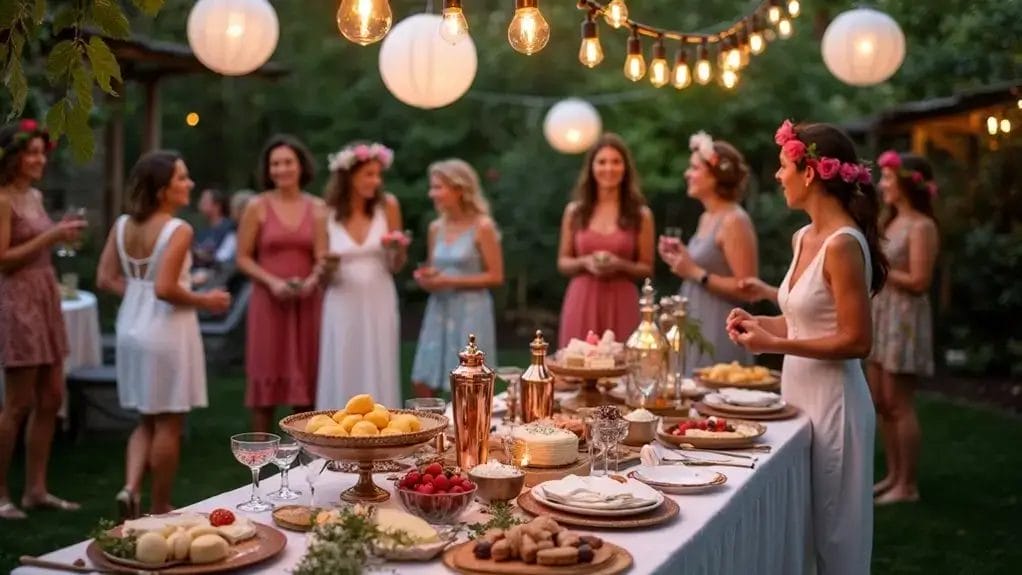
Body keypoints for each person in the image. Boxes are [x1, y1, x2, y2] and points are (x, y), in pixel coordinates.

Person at [728, 120, 888, 575]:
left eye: (783, 166)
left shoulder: (842, 245)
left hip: (835, 406)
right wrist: (759, 322)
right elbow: (804, 319)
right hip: (796, 398)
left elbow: (858, 340)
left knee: (836, 540)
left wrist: (776, 343)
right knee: (800, 528)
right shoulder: (803, 238)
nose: (778, 176)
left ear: (811, 173)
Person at [96, 151, 231, 517]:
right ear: (161, 190)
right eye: (182, 179)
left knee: (146, 418)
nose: (190, 184)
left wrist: (138, 298)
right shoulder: (178, 229)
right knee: (169, 421)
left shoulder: (123, 224)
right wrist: (207, 300)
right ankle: (159, 505)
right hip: (167, 331)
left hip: (131, 328)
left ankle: (129, 489)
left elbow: (105, 278)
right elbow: (166, 289)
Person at [0, 119, 85, 520]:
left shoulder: (33, 196)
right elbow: (3, 260)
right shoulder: (2, 199)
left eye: (41, 152)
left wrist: (59, 236)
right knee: (17, 403)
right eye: (30, 152)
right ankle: (1, 494)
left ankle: (36, 489)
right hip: (17, 300)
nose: (38, 159)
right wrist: (52, 237)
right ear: (12, 156)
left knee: (51, 397)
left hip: (45, 295)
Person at [237, 135, 326, 432]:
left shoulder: (318, 208)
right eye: (275, 164)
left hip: (307, 304)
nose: (281, 169)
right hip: (268, 304)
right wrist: (272, 282)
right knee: (264, 393)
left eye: (288, 162)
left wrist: (312, 281)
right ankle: (259, 466)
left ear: (301, 166)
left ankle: (308, 467)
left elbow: (323, 258)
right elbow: (243, 258)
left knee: (307, 396)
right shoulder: (257, 206)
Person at [869, 150, 939, 505]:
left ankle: (908, 485)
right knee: (882, 402)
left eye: (887, 179)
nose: (882, 185)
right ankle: (893, 476)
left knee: (899, 403)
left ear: (908, 184)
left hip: (904, 320)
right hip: (884, 316)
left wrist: (879, 268)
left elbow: (920, 280)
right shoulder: (890, 221)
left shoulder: (922, 226)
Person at [317, 142, 406, 410]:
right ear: (349, 176)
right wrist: (327, 267)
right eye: (368, 174)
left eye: (378, 174)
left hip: (379, 295)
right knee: (343, 360)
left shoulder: (388, 206)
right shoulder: (325, 214)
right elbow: (322, 277)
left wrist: (397, 251)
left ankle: (383, 432)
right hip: (341, 299)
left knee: (379, 360)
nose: (375, 181)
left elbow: (397, 265)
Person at [658, 131, 758, 370]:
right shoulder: (706, 217)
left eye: (694, 168)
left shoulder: (735, 220)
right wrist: (681, 259)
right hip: (695, 321)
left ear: (715, 176)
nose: (687, 174)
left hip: (719, 326)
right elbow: (702, 267)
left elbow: (749, 289)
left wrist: (694, 271)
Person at [410, 159, 503, 398]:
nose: (433, 194)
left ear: (459, 189)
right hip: (439, 309)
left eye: (439, 187)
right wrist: (428, 277)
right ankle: (428, 432)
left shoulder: (483, 227)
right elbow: (434, 267)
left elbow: (495, 276)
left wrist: (449, 282)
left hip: (471, 311)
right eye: (432, 187)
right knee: (422, 378)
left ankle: (470, 432)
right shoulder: (435, 228)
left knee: (470, 384)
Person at [556, 133, 654, 348]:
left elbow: (647, 267)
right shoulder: (575, 212)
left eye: (616, 162)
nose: (609, 168)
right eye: (602, 162)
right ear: (591, 168)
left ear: (625, 168)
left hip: (622, 299)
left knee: (622, 368)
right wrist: (585, 262)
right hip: (582, 298)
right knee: (577, 367)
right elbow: (563, 261)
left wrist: (619, 264)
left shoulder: (640, 215)